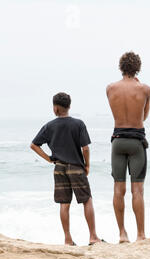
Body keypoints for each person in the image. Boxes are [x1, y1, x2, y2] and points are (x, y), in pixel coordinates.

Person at [30, 92, 102, 246]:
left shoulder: (49, 126)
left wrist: (49, 158)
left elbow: (33, 145)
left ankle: (68, 239)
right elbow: (86, 148)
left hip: (59, 168)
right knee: (87, 200)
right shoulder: (78, 124)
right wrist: (87, 165)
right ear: (69, 106)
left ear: (55, 108)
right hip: (76, 167)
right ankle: (93, 237)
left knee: (64, 203)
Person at [106, 51, 150, 243]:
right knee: (137, 190)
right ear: (138, 68)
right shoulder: (145, 89)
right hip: (136, 141)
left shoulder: (110, 88)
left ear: (121, 67)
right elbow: (143, 117)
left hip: (118, 140)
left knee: (118, 188)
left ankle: (122, 234)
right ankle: (140, 234)